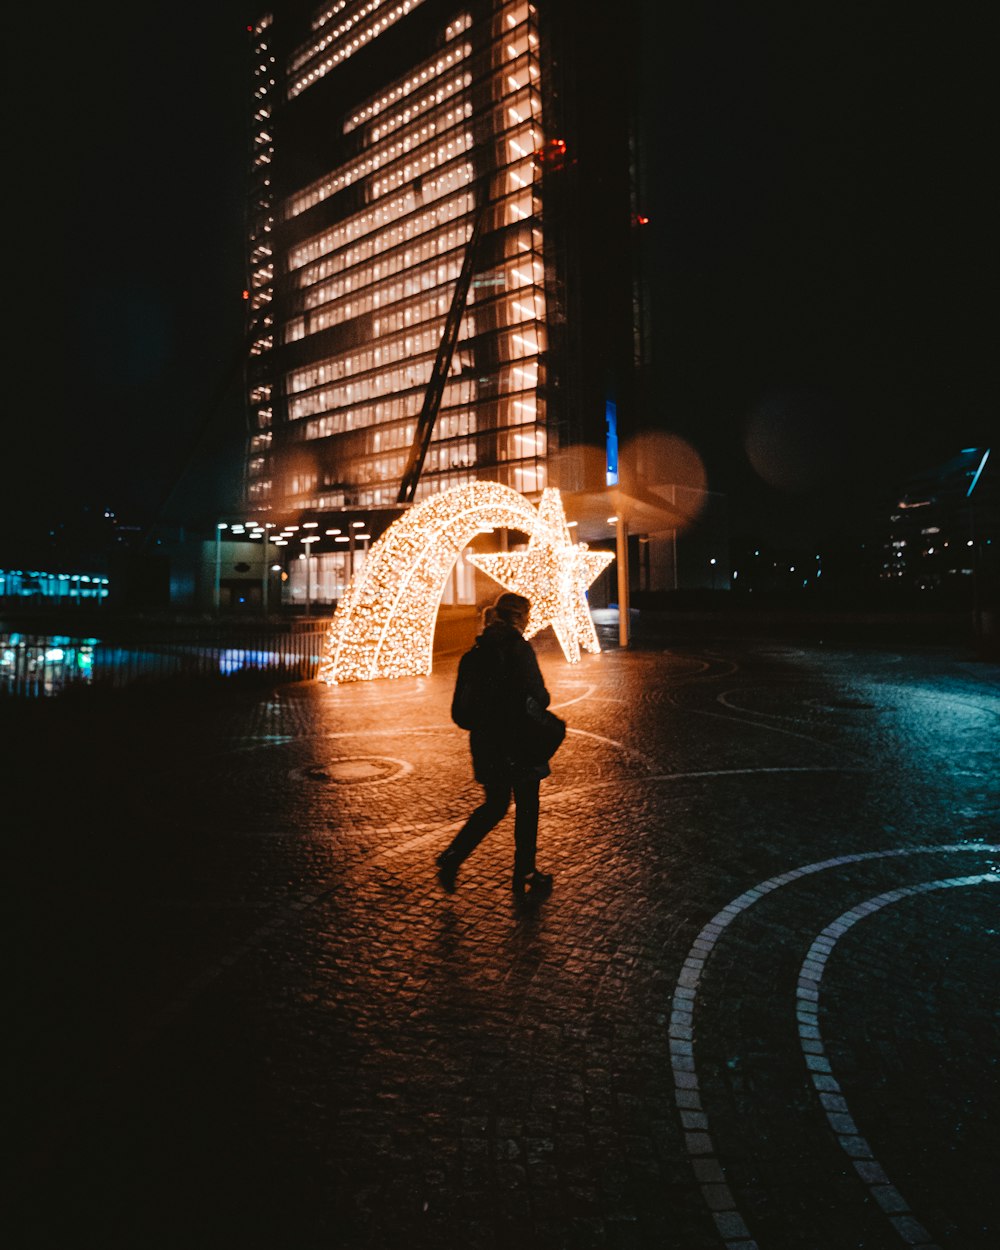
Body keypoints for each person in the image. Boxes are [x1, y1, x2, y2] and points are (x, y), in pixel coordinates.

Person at [437, 591, 554, 897]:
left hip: (487, 745)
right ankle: (525, 871)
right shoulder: (519, 649)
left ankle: (453, 856)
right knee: (527, 807)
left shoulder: (475, 653)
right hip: (520, 742)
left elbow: (462, 712)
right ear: (519, 618)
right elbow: (539, 696)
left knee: (495, 805)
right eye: (526, 616)